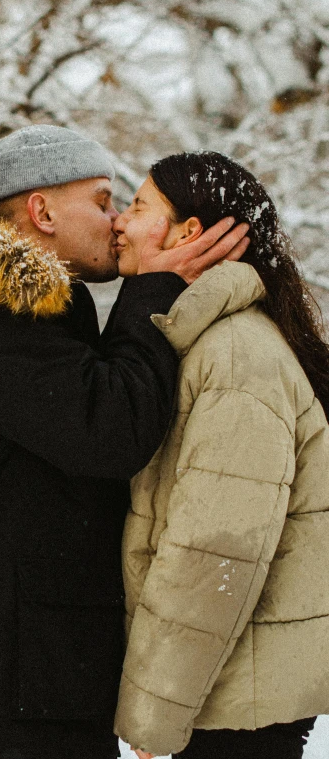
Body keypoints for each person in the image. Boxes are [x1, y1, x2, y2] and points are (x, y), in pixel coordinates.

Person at [0, 126, 248, 759]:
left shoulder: (18, 310)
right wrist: (155, 292)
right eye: (100, 201)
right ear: (41, 210)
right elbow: (108, 429)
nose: (117, 221)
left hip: (9, 655)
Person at [112, 151, 329, 759]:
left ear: (188, 233)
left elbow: (214, 557)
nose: (119, 224)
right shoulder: (206, 342)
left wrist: (154, 712)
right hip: (227, 692)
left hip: (231, 706)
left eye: (137, 207)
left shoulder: (233, 355)